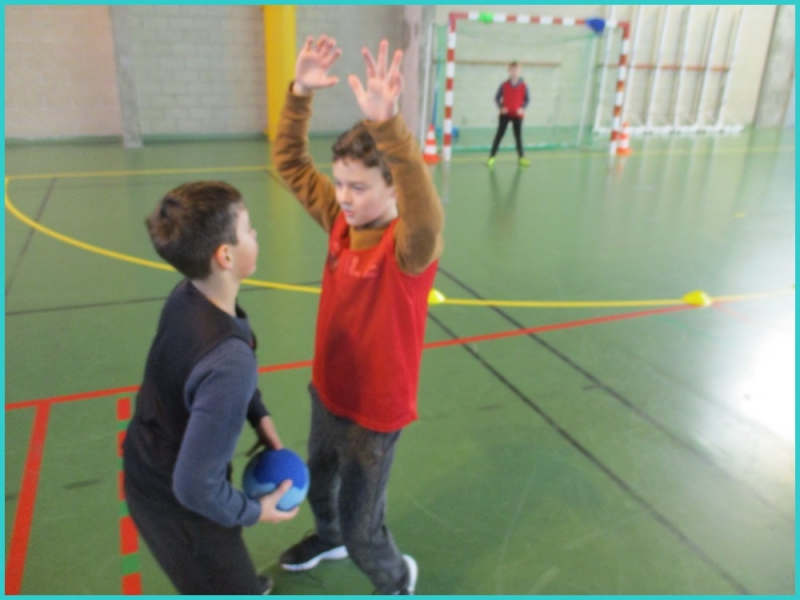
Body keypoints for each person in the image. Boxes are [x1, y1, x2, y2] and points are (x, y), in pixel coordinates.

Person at [271, 35, 444, 595]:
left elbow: (427, 215)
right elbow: (290, 162)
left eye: (359, 187)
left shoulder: (408, 246)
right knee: (320, 485)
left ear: (393, 187)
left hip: (375, 411)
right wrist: (299, 93)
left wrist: (389, 126)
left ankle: (394, 578)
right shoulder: (341, 220)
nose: (343, 196)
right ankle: (328, 538)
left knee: (361, 522)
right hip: (329, 389)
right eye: (340, 182)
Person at [122, 181, 299, 595]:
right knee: (220, 577)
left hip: (148, 466)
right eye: (248, 229)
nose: (256, 233)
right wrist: (254, 511)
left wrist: (259, 417)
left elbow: (212, 375)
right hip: (179, 508)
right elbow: (196, 487)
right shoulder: (228, 360)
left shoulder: (187, 294)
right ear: (225, 256)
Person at [487, 61, 530, 168]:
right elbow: (497, 98)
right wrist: (501, 107)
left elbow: (527, 99)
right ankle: (492, 157)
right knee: (499, 136)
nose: (514, 72)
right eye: (512, 70)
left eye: (516, 70)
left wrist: (522, 108)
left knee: (518, 137)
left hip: (517, 115)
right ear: (509, 71)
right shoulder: (504, 85)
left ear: (520, 71)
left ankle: (521, 157)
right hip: (505, 115)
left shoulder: (524, 85)